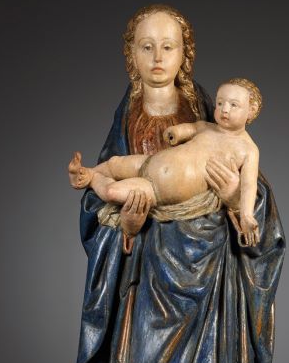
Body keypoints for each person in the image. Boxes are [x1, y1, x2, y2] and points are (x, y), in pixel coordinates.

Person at [71, 4, 285, 363]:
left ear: (185, 54)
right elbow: (98, 205)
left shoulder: (215, 115)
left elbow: (257, 206)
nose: (158, 57)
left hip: (208, 283)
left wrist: (234, 197)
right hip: (145, 280)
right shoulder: (125, 122)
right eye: (146, 46)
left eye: (169, 46)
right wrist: (127, 226)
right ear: (131, 55)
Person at [70, 78, 262, 247]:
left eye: (233, 105)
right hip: (149, 162)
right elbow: (192, 128)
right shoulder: (208, 127)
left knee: (112, 192)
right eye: (220, 103)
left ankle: (92, 178)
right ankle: (85, 172)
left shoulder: (248, 150)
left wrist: (245, 214)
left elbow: (249, 185)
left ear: (251, 110)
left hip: (158, 190)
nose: (224, 109)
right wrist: (176, 132)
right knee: (114, 163)